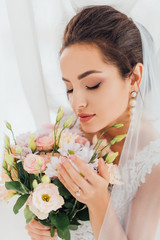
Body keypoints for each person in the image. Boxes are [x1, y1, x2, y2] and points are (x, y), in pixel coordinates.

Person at [25, 5, 160, 240]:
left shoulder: (153, 162)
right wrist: (41, 224)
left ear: (134, 78)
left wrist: (99, 203)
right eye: (69, 87)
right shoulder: (63, 134)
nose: (77, 103)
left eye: (92, 84)